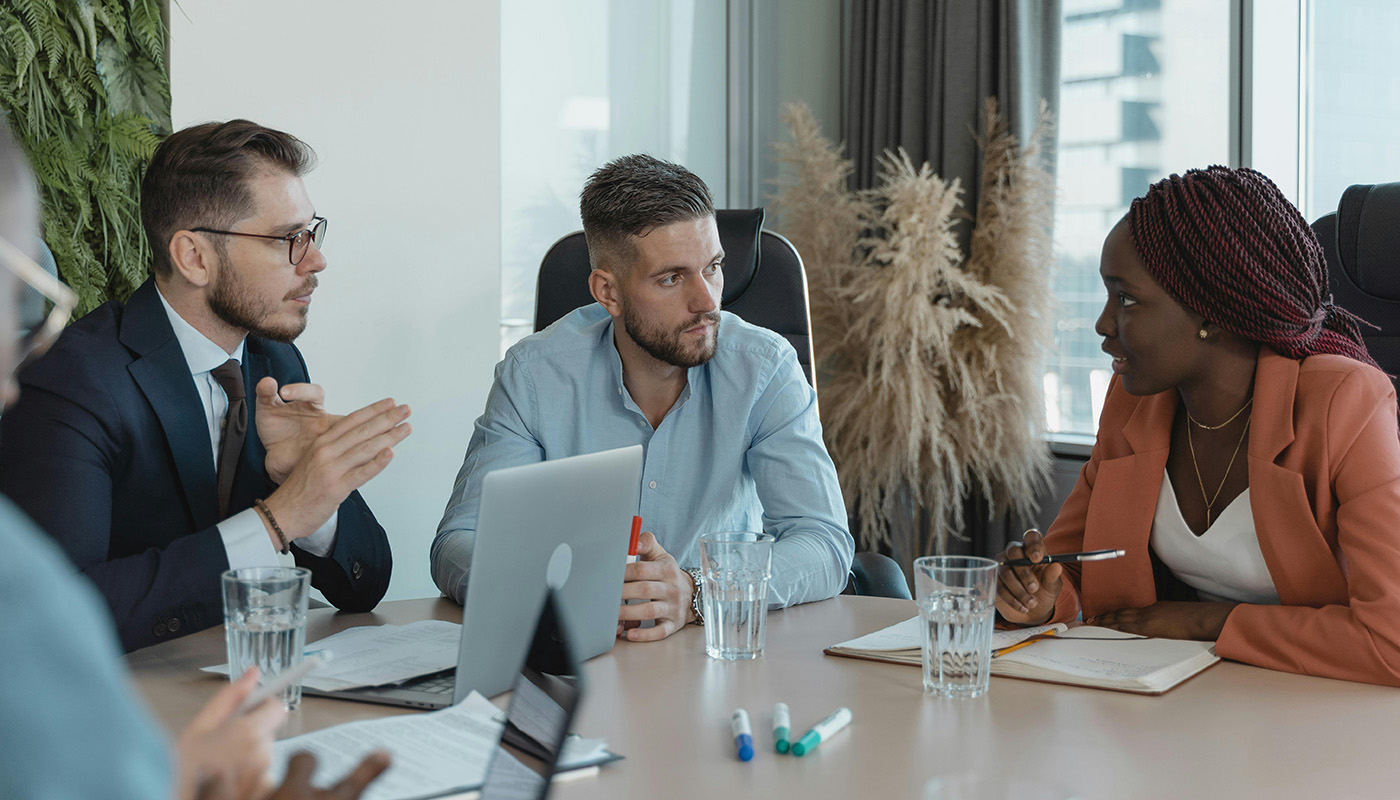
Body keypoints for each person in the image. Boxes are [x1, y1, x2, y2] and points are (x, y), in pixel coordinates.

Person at [0, 123, 388, 799]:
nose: (315, 260)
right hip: (121, 731)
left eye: (312, 231)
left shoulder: (273, 359)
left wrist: (307, 491)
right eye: (285, 239)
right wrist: (278, 519)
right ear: (193, 256)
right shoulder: (74, 381)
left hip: (250, 719)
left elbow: (366, 581)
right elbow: (66, 609)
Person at [996, 166, 1400, 686]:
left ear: (1209, 311)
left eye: (1126, 299)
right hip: (1177, 698)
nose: (1101, 323)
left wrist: (1209, 623)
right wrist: (1041, 597)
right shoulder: (1132, 403)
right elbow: (1075, 571)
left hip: (1324, 708)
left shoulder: (1346, 402)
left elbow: (1391, 640)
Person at [432, 154, 853, 641]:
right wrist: (554, 590)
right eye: (672, 278)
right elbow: (458, 543)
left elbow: (825, 544)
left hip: (720, 652)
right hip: (580, 658)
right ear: (607, 292)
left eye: (713, 267)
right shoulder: (534, 376)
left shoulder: (764, 368)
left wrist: (698, 593)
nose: (708, 302)